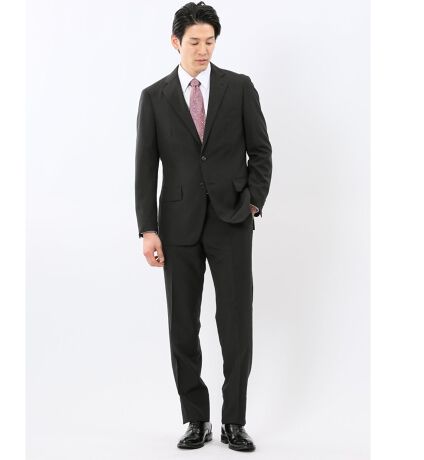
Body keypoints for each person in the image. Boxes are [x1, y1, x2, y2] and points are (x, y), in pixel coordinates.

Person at [134, 1, 272, 452]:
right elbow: (145, 168)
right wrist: (148, 229)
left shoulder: (239, 88)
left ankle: (234, 420)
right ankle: (196, 419)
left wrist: (252, 203)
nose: (203, 49)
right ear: (175, 42)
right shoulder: (154, 97)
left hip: (232, 220)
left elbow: (261, 151)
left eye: (210, 41)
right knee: (182, 324)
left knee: (236, 322)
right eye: (194, 41)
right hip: (177, 226)